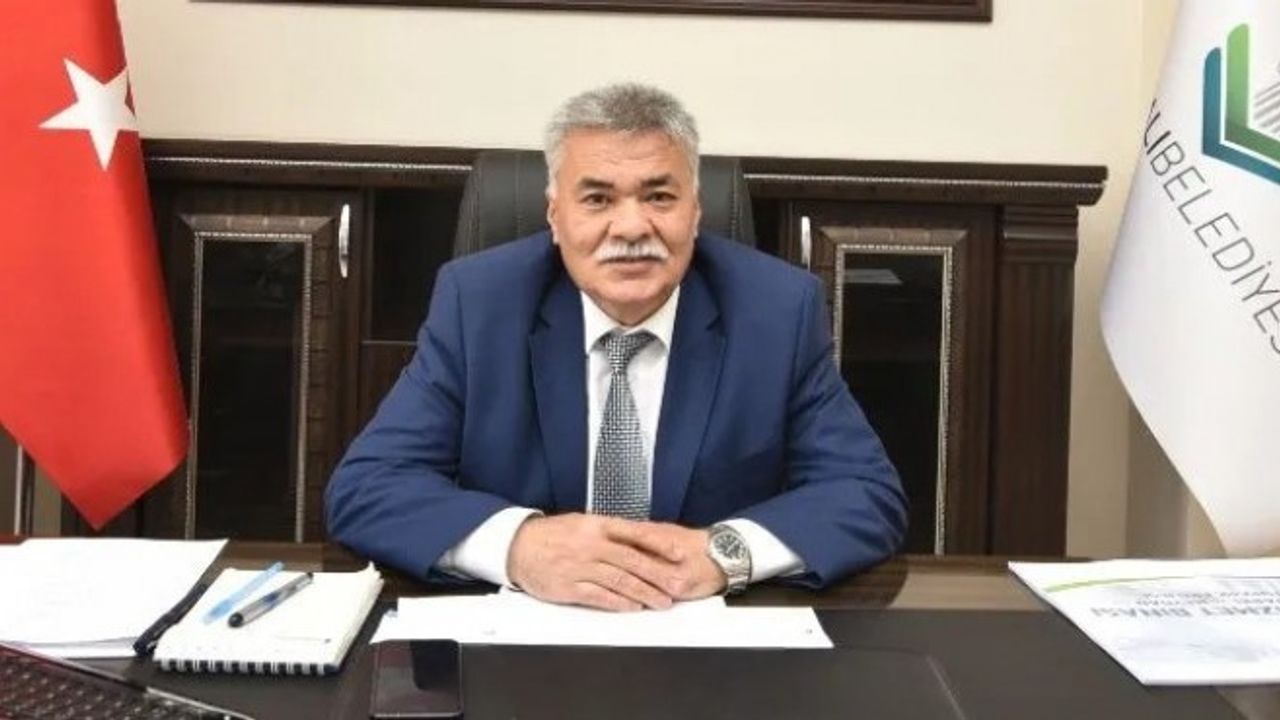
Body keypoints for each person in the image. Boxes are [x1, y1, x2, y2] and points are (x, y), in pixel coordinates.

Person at [326, 83, 906, 611]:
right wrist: (520, 547)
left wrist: (724, 553)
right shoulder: (479, 304)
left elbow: (864, 494)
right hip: (521, 640)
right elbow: (368, 487)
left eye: (659, 197)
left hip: (707, 644)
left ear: (695, 212)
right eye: (598, 200)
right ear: (555, 216)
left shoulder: (776, 310)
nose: (631, 228)